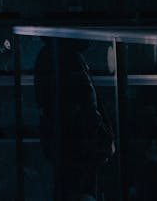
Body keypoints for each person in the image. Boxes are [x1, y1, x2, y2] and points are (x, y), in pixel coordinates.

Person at [33, 38, 115, 201]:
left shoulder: (48, 56)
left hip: (65, 144)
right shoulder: (71, 60)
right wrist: (101, 136)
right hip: (79, 145)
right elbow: (87, 105)